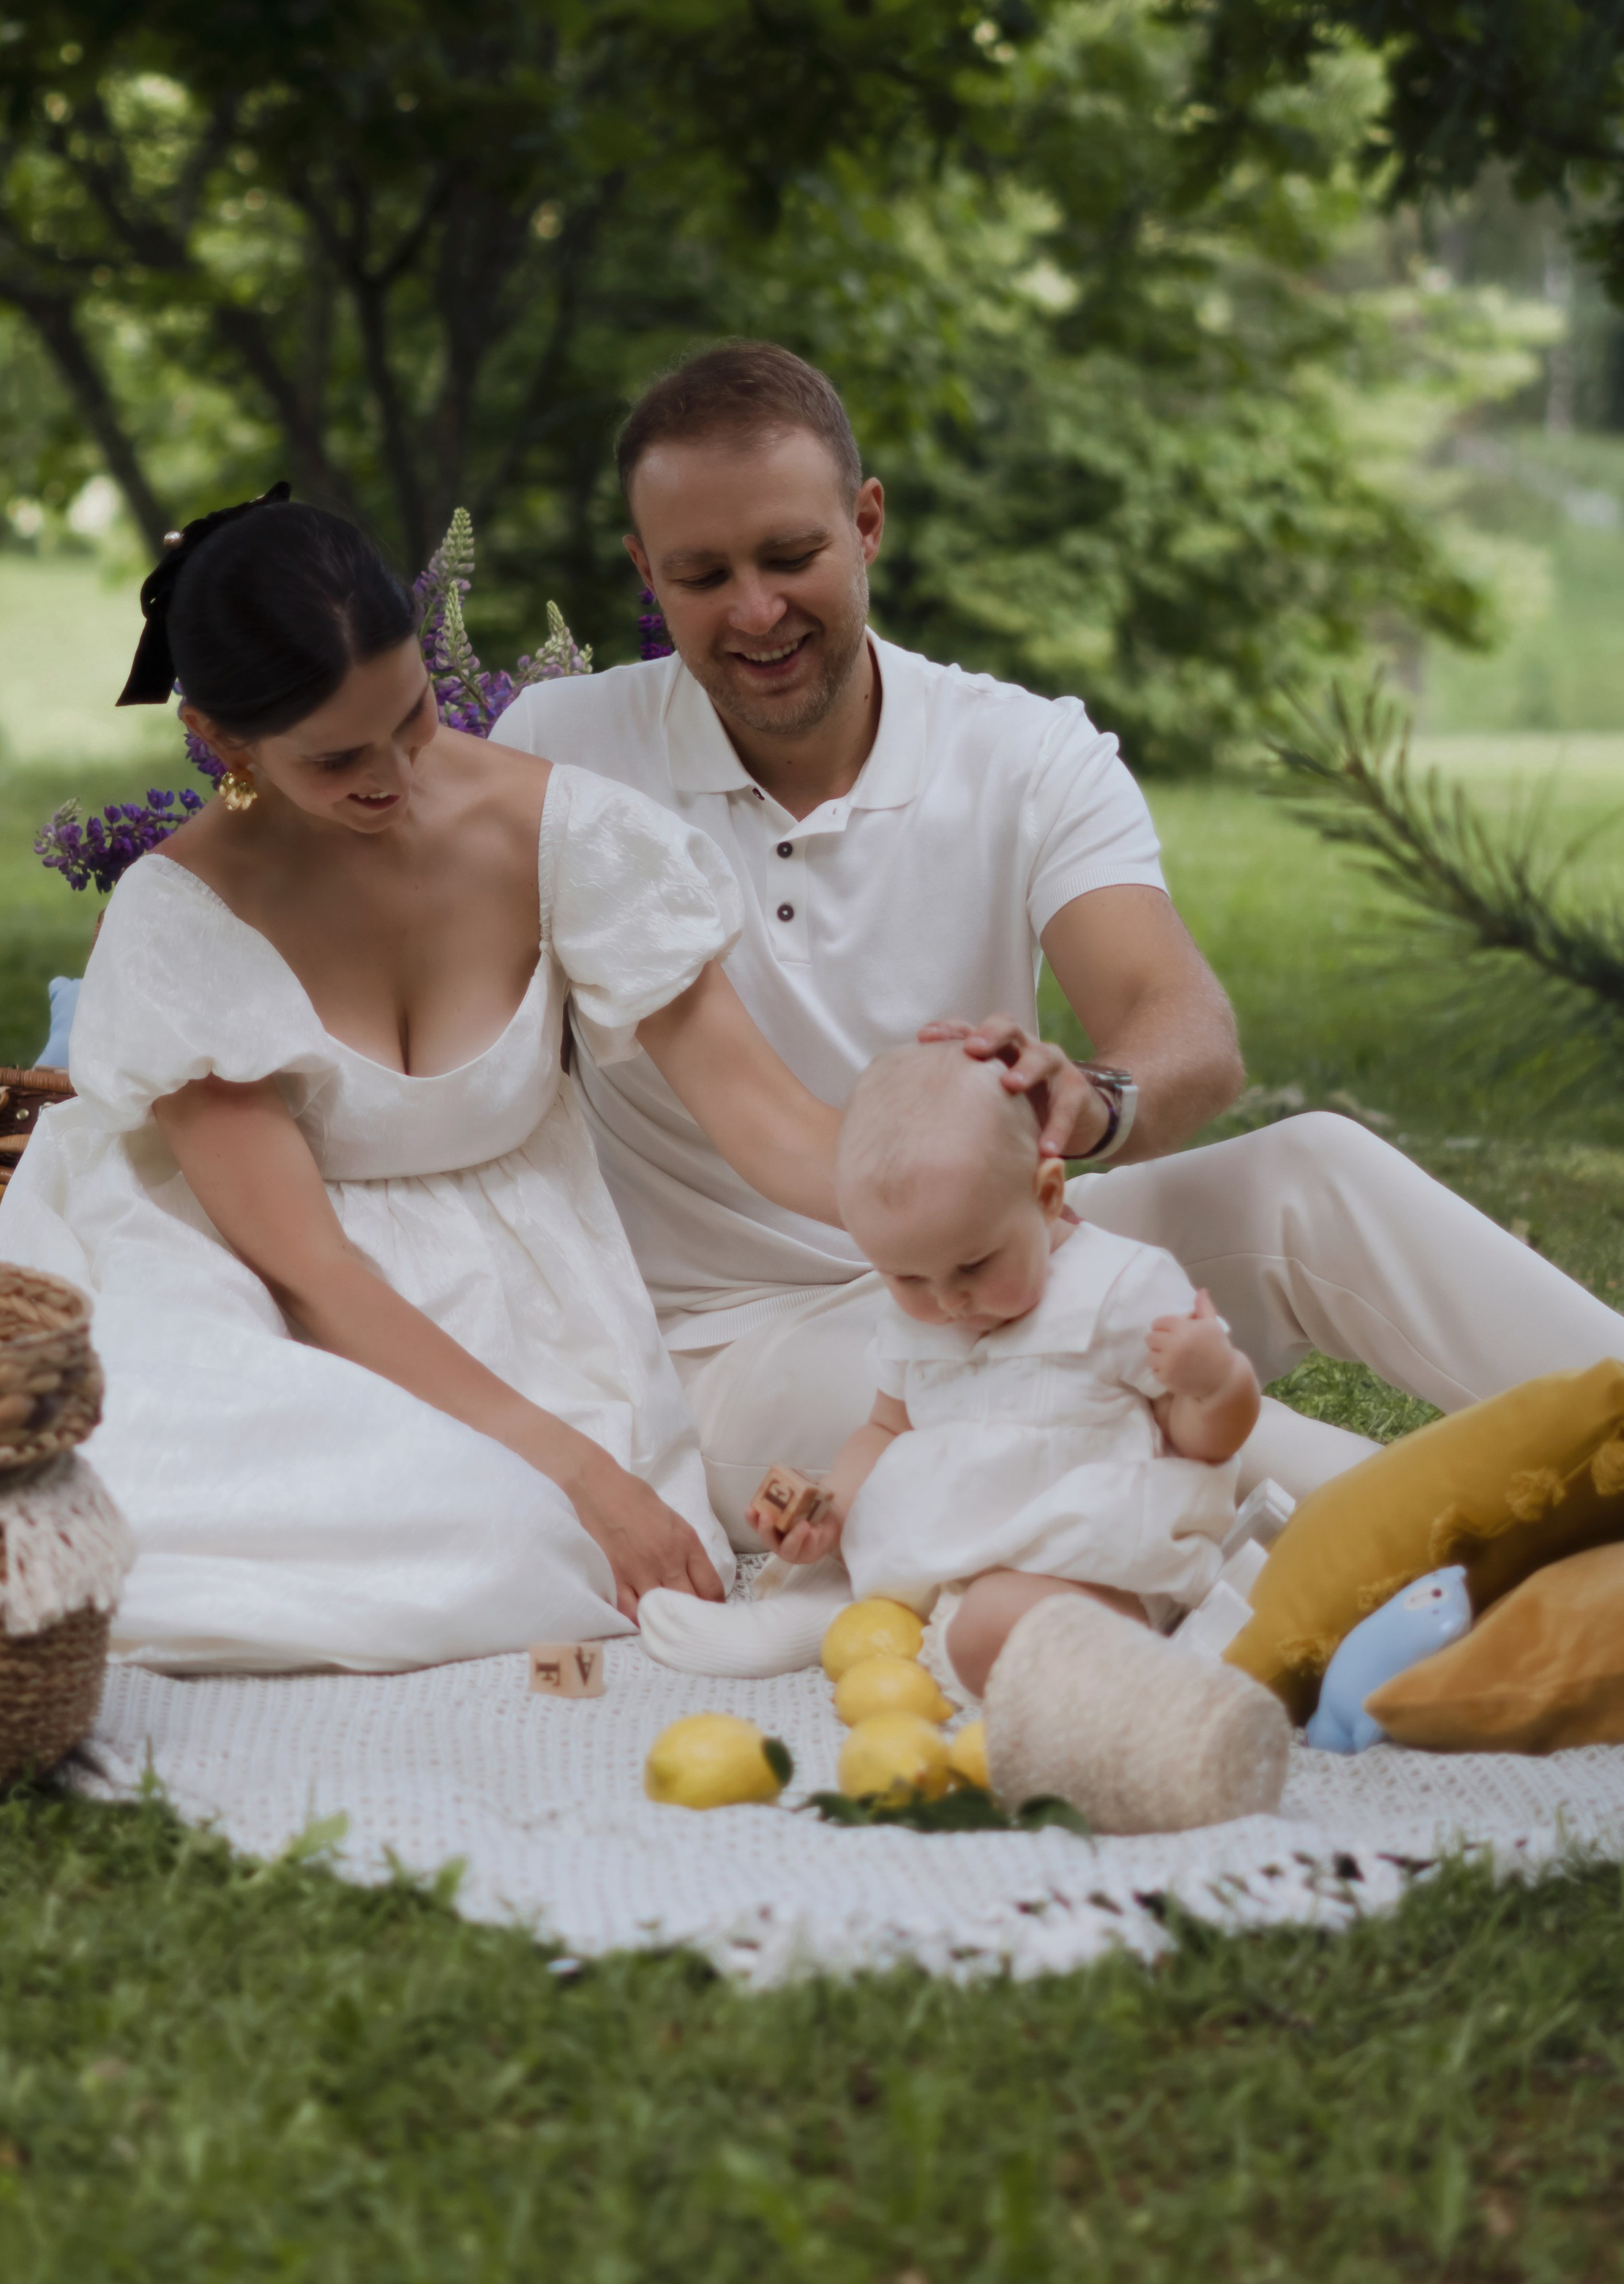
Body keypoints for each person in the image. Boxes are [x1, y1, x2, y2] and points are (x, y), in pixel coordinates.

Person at [493, 341, 1624, 1560]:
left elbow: (1180, 1021)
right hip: (745, 1343)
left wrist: (1094, 1102)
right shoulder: (562, 748)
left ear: (866, 524)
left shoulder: (1022, 751)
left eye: (790, 555)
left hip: (1007, 1254)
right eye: (702, 574)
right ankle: (1466, 1557)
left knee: (1316, 1169)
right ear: (644, 574)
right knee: (1102, 1414)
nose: (755, 610)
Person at [0, 487, 841, 1673]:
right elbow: (313, 1273)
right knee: (139, 1538)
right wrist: (584, 1472)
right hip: (247, 1282)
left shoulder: (556, 834)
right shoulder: (184, 919)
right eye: (339, 757)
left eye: (415, 716)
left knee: (538, 1551)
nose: (396, 775)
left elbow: (773, 1122)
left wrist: (980, 1163)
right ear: (225, 745)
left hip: (520, 1287)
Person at [752, 1044, 1259, 1691]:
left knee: (992, 1622)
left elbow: (1203, 1443)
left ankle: (1161, 1692)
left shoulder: (1119, 1289)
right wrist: (831, 1509)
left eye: (974, 1266)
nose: (946, 1301)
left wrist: (1215, 1383)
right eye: (907, 1276)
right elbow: (884, 1429)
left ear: (1047, 1195)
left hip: (1098, 1569)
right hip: (958, 1563)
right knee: (898, 1615)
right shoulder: (919, 1317)